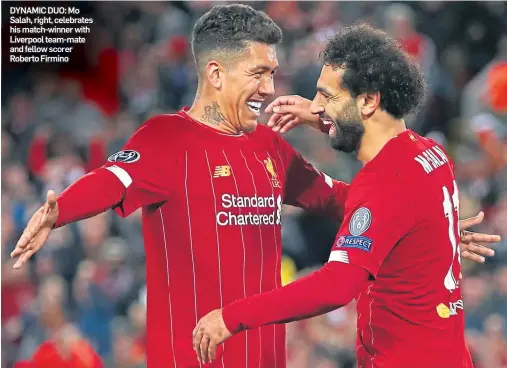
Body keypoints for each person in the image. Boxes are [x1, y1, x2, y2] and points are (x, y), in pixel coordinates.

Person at [12, 7, 494, 368]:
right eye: (260, 74)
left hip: (265, 355)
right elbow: (112, 180)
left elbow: (337, 199)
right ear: (216, 74)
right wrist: (60, 212)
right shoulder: (165, 139)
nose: (271, 89)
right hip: (194, 357)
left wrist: (421, 226)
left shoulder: (270, 146)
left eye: (273, 73)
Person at [192, 24, 501, 368]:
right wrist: (430, 238)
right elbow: (382, 209)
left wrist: (232, 317)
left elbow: (336, 286)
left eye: (326, 96)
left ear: (368, 100)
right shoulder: (428, 153)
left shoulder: (385, 182)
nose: (317, 105)